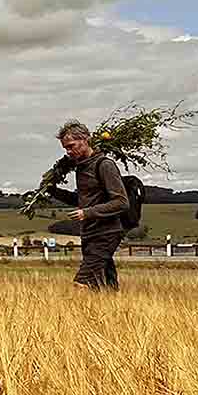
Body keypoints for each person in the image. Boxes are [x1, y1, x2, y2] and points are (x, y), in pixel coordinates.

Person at [44, 120, 129, 290]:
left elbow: (121, 202)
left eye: (71, 146)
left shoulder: (104, 165)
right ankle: (115, 310)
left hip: (106, 233)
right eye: (65, 148)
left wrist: (87, 213)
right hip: (89, 233)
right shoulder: (81, 168)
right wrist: (52, 190)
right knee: (103, 284)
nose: (68, 152)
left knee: (81, 282)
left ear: (85, 139)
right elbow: (82, 200)